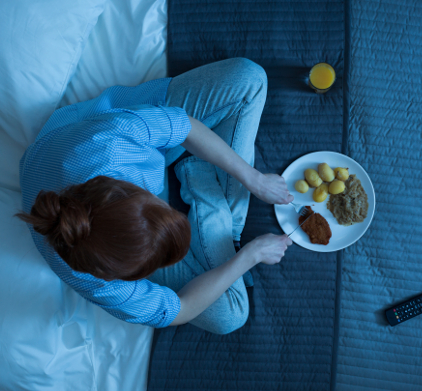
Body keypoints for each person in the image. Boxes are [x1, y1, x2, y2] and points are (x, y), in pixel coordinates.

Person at [17, 58, 294, 334]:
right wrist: (249, 255)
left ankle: (210, 201)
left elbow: (185, 126)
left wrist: (253, 178)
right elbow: (182, 310)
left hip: (99, 138)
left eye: (164, 206)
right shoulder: (103, 285)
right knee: (229, 316)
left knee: (249, 77)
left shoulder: (114, 140)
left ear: (135, 188)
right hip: (102, 204)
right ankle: (212, 203)